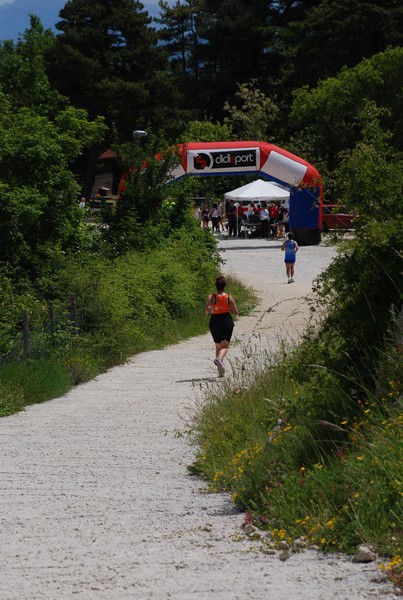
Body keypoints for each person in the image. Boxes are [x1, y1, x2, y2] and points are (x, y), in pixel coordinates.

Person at [205, 275, 238, 377]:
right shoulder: (228, 297)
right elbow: (235, 311)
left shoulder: (212, 297)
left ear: (216, 286)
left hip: (214, 321)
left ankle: (220, 369)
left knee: (218, 346)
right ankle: (219, 360)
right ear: (225, 286)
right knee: (225, 346)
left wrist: (210, 311)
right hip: (226, 321)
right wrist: (229, 309)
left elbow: (207, 308)